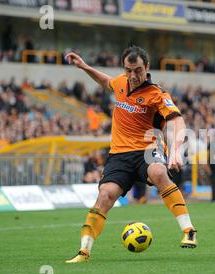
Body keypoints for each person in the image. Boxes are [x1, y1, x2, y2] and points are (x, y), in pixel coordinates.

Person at [65, 46, 197, 263]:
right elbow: (107, 82)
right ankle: (84, 252)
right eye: (128, 70)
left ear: (147, 67)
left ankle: (189, 230)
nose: (133, 76)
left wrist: (175, 151)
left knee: (158, 171)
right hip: (119, 154)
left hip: (147, 148)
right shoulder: (120, 83)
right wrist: (85, 67)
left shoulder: (157, 94)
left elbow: (177, 120)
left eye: (137, 70)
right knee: (105, 194)